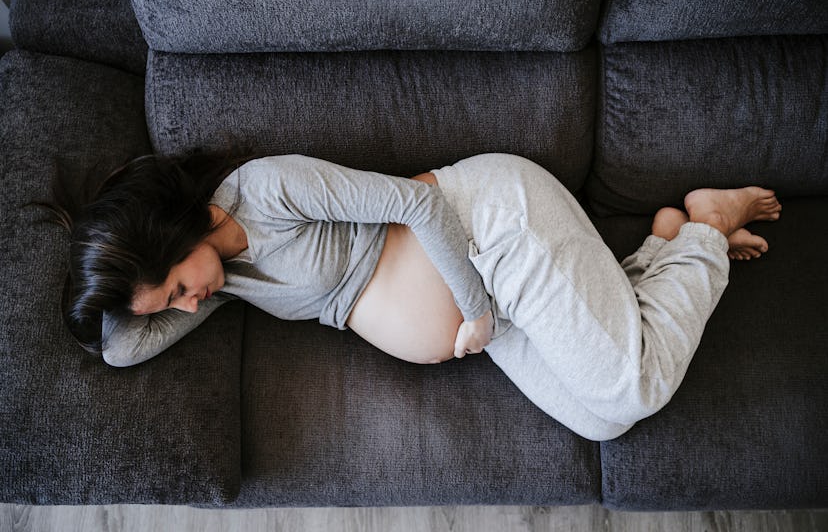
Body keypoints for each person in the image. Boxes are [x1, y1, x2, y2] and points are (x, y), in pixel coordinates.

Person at [36, 152, 781, 440]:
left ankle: (706, 229)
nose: (185, 307)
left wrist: (478, 311)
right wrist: (106, 291)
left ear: (171, 233)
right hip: (487, 295)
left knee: (632, 387)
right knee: (599, 421)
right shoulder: (221, 284)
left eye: (173, 287)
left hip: (493, 230)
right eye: (170, 304)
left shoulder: (263, 190)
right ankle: (661, 251)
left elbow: (418, 206)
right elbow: (122, 348)